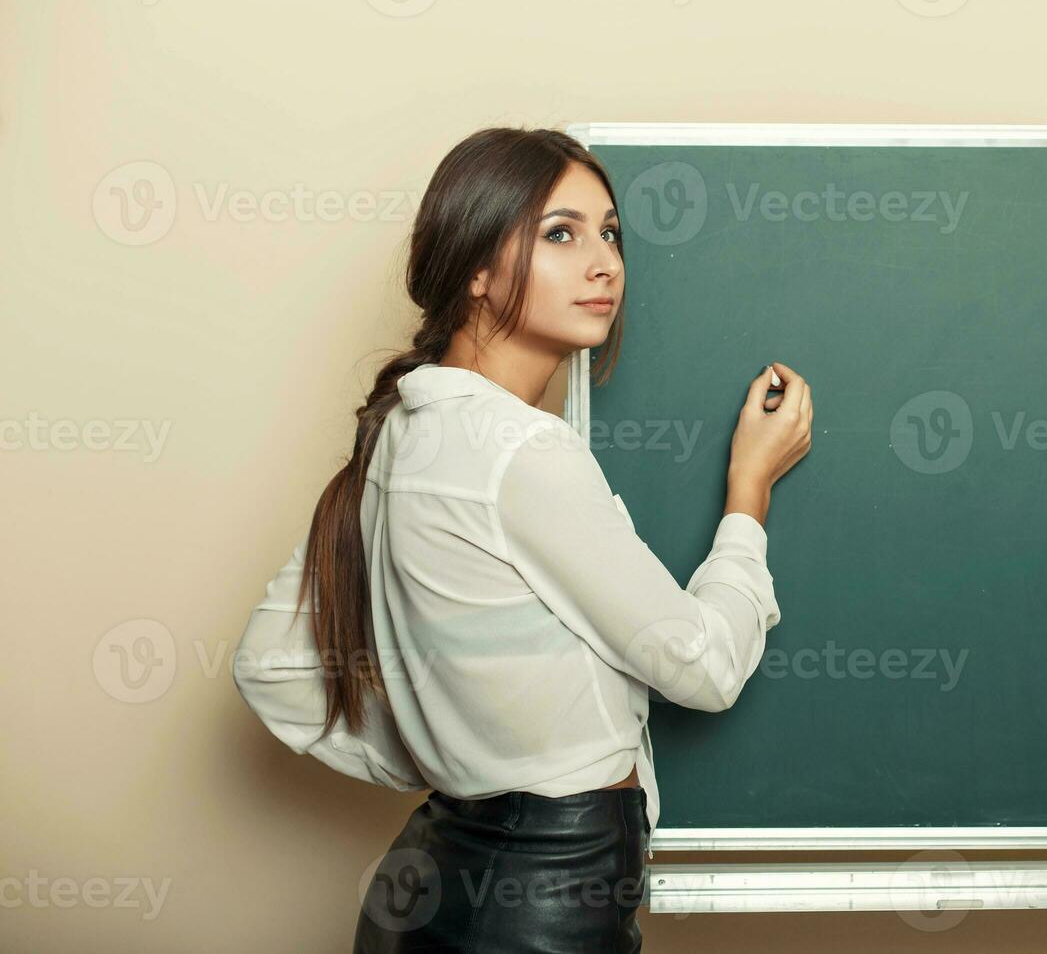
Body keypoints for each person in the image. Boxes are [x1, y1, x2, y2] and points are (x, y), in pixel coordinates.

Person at [231, 126, 813, 952]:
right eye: (560, 234)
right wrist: (748, 492)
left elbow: (270, 665)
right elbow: (704, 667)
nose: (605, 262)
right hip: (541, 907)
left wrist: (454, 768)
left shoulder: (400, 431)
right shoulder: (522, 452)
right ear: (474, 266)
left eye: (609, 233)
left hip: (423, 886)